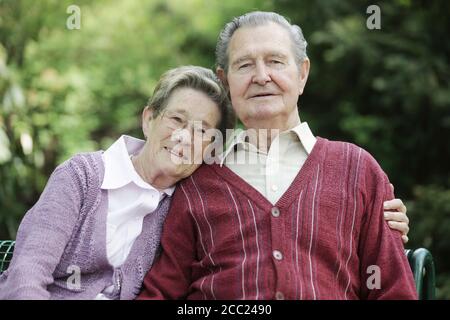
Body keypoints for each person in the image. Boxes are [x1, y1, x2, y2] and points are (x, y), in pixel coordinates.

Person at [138, 12, 416, 300]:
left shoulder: (357, 168)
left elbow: (393, 290)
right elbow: (163, 292)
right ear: (225, 81)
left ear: (302, 74)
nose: (261, 76)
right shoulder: (197, 179)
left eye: (275, 62)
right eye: (244, 65)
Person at [0, 66, 233, 299]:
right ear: (148, 119)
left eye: (201, 130)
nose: (184, 137)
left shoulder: (188, 207)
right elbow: (26, 276)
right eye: (176, 119)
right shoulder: (80, 177)